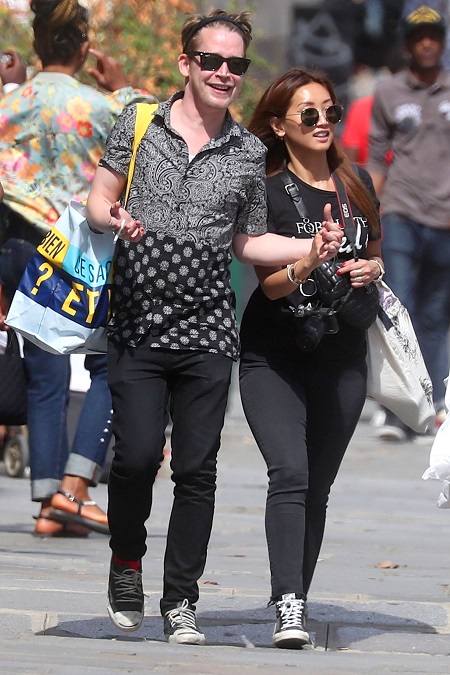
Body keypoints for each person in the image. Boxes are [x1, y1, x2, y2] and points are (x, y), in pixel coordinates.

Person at [86, 9, 343, 645]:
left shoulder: (248, 152)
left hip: (207, 330)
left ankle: (180, 600)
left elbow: (249, 242)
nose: (225, 73)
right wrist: (112, 218)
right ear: (186, 64)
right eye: (212, 61)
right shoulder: (139, 123)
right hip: (138, 324)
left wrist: (312, 250)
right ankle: (126, 562)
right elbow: (98, 197)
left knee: (197, 470)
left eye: (236, 65)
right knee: (137, 457)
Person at [239, 67, 384, 649]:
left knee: (317, 485)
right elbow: (270, 285)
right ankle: (291, 606)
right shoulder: (265, 188)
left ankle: (291, 590)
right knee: (290, 474)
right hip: (274, 353)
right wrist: (310, 259)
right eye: (308, 114)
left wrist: (371, 269)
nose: (323, 122)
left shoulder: (358, 185)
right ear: (279, 124)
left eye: (330, 112)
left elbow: (374, 260)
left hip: (341, 351)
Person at [0, 0, 155, 536]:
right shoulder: (104, 106)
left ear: (39, 43)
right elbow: (160, 122)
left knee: (44, 377)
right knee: (112, 366)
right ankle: (76, 485)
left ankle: (49, 508)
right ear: (84, 46)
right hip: (79, 247)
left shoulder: (8, 105)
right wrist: (124, 83)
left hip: (19, 243)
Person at [368, 4, 450, 441]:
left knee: (436, 314)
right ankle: (401, 411)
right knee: (398, 308)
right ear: (407, 42)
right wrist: (370, 210)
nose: (426, 42)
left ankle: (433, 400)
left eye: (433, 34)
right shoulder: (388, 92)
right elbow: (378, 154)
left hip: (446, 217)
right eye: (419, 35)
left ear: (441, 40)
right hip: (399, 210)